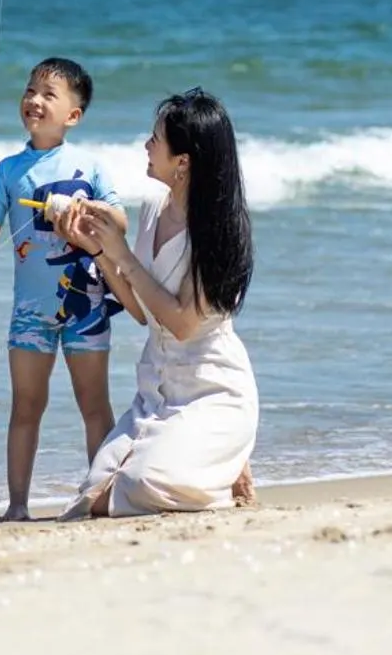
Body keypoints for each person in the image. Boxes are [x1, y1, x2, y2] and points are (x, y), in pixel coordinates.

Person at [62, 88, 257, 518]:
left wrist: (124, 255)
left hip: (213, 387)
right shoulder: (153, 207)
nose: (147, 146)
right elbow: (139, 308)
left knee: (141, 484)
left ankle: (222, 466)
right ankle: (213, 462)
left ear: (183, 161)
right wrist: (98, 248)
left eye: (156, 139)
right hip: (156, 390)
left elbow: (184, 324)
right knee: (92, 497)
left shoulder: (220, 231)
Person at [0, 56, 127, 519]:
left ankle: (103, 496)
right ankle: (17, 505)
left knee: (94, 404)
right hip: (31, 312)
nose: (34, 100)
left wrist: (89, 210)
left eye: (48, 94)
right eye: (30, 90)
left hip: (87, 306)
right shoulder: (7, 169)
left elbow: (119, 219)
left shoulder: (89, 167)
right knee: (26, 406)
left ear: (73, 116)